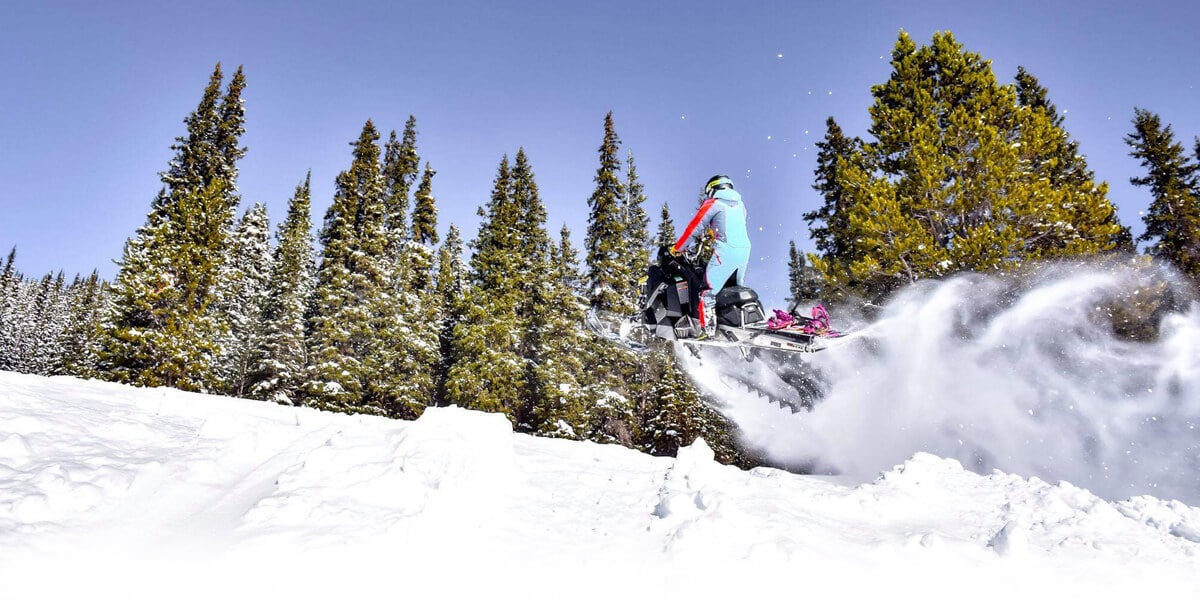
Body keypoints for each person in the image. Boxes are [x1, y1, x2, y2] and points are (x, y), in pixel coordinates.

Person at [672, 174, 751, 338]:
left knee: (707, 292)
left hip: (726, 251)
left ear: (712, 189)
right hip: (744, 250)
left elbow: (694, 228)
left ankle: (707, 331)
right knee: (731, 291)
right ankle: (736, 326)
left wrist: (678, 248)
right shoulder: (740, 204)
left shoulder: (713, 203)